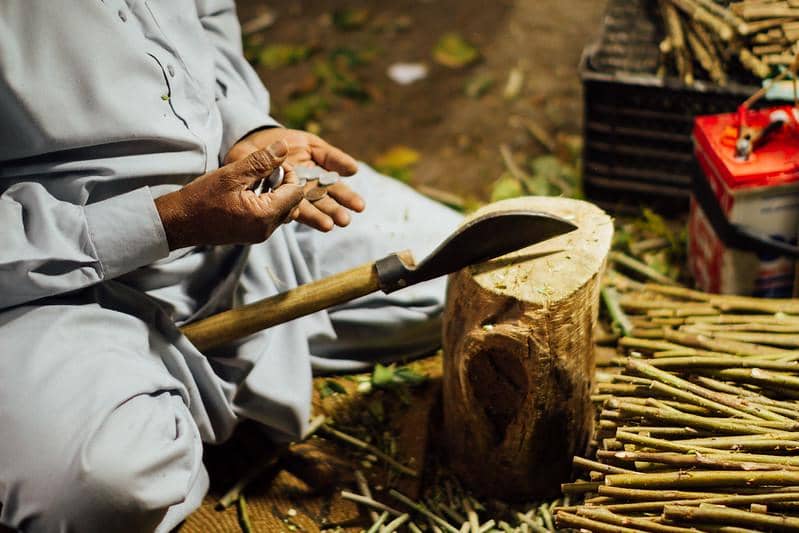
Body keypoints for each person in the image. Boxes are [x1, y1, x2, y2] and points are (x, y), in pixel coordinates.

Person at [0, 2, 461, 531]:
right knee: (106, 487)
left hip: (238, 213)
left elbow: (206, 17)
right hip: (48, 283)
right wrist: (169, 221)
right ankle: (133, 402)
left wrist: (243, 126)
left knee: (453, 270)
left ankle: (182, 389)